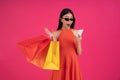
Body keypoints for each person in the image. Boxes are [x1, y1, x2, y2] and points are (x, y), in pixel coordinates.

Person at [45, 8, 82, 80]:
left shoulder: (76, 32)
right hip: (60, 64)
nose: (70, 21)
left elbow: (79, 53)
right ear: (61, 19)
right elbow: (53, 54)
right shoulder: (55, 34)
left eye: (71, 19)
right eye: (67, 19)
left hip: (72, 64)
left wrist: (79, 41)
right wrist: (53, 39)